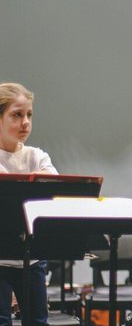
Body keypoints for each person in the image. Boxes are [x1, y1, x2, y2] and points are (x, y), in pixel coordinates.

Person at [0, 82, 56, 326]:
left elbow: (56, 190)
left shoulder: (37, 156)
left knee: (37, 322)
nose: (25, 122)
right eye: (16, 115)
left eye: (29, 115)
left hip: (32, 260)